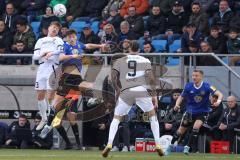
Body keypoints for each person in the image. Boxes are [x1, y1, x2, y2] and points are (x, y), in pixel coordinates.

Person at [39, 29, 106, 140]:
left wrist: (100, 45)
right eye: (69, 37)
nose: (71, 38)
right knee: (55, 106)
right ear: (66, 38)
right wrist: (73, 57)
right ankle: (47, 125)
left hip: (75, 77)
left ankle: (92, 99)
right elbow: (60, 57)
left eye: (73, 36)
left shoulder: (78, 44)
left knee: (88, 85)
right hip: (66, 77)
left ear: (76, 37)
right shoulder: (65, 46)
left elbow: (88, 46)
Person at [102, 40, 164, 157]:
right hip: (141, 90)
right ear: (139, 50)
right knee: (152, 116)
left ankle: (109, 144)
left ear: (129, 49)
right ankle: (158, 144)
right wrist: (154, 95)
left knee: (116, 118)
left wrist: (118, 90)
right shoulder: (145, 60)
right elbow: (151, 79)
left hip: (126, 90)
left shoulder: (121, 60)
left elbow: (113, 78)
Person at [165, 69, 223, 155]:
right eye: (193, 75)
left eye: (196, 76)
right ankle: (170, 146)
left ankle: (187, 147)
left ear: (201, 77)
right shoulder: (188, 86)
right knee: (180, 131)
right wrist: (177, 105)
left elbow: (220, 94)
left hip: (202, 112)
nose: (194, 77)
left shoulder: (207, 86)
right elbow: (181, 97)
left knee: (196, 127)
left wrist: (218, 101)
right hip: (190, 112)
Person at [32, 21, 64, 131]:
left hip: (53, 68)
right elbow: (35, 57)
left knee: (50, 96)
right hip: (42, 69)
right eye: (53, 27)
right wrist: (43, 54)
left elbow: (61, 50)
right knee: (40, 96)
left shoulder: (58, 40)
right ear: (49, 28)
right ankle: (44, 118)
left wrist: (51, 53)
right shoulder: (40, 40)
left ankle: (50, 121)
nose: (55, 29)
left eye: (57, 28)